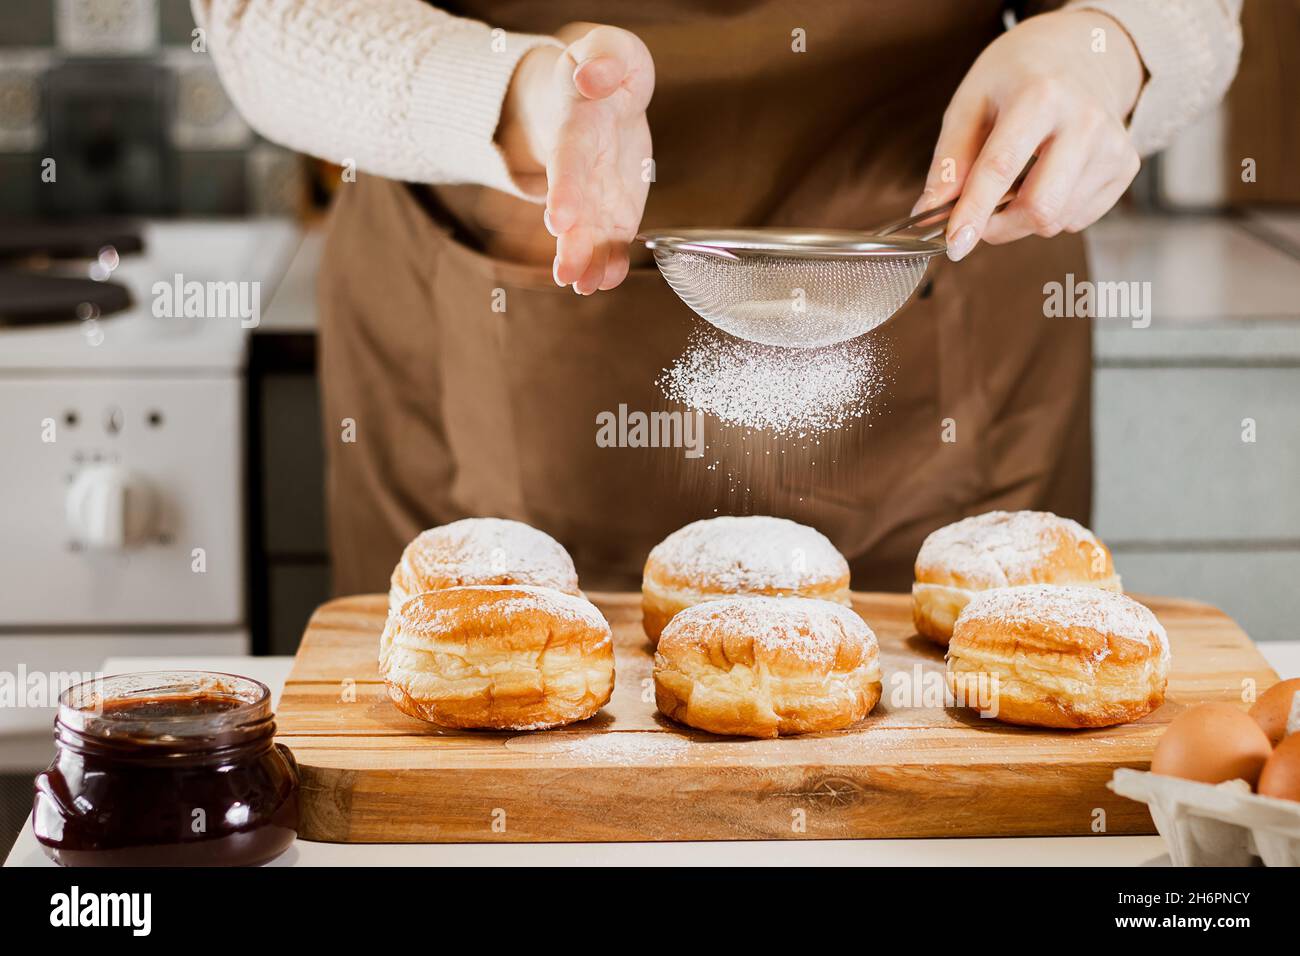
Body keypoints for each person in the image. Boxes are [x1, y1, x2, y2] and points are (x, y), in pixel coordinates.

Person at [195, 0, 1242, 592]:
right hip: (491, 290)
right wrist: (514, 102)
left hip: (938, 274)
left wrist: (1110, 47)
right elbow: (261, 19)